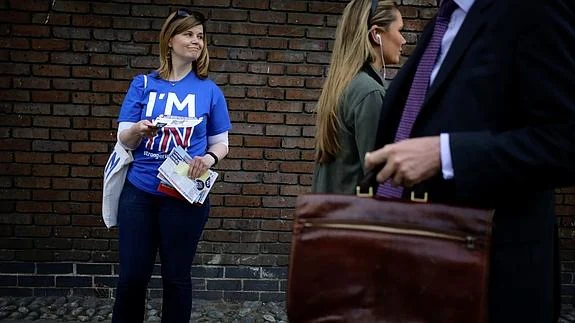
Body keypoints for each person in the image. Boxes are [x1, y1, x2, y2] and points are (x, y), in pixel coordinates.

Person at [364, 0, 575, 322]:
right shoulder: (445, 20)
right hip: (419, 272)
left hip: (491, 282)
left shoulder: (535, 9)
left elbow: (565, 140)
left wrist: (447, 154)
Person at [111, 8, 231, 323]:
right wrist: (138, 130)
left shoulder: (210, 91)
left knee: (177, 278)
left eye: (201, 37)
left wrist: (208, 158)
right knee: (132, 278)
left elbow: (222, 143)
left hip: (184, 194)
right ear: (170, 39)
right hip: (140, 193)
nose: (196, 42)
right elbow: (124, 137)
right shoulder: (143, 85)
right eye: (189, 34)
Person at [312, 0, 406, 194]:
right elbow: (380, 179)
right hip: (354, 221)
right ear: (376, 34)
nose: (403, 40)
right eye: (399, 30)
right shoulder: (369, 92)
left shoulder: (342, 85)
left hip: (331, 219)